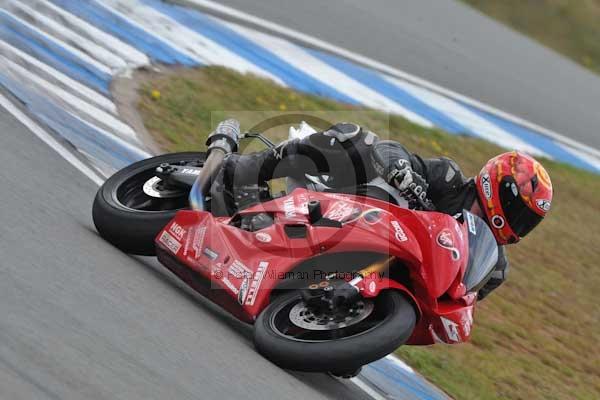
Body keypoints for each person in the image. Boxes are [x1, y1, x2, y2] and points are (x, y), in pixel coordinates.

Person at [206, 122, 554, 300]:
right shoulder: (447, 179)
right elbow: (390, 150)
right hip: (347, 207)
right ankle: (244, 171)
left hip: (383, 269)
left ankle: (344, 317)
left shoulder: (494, 267)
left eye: (529, 220)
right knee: (357, 138)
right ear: (498, 189)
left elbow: (458, 304)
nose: (520, 223)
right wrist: (402, 172)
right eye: (518, 210)